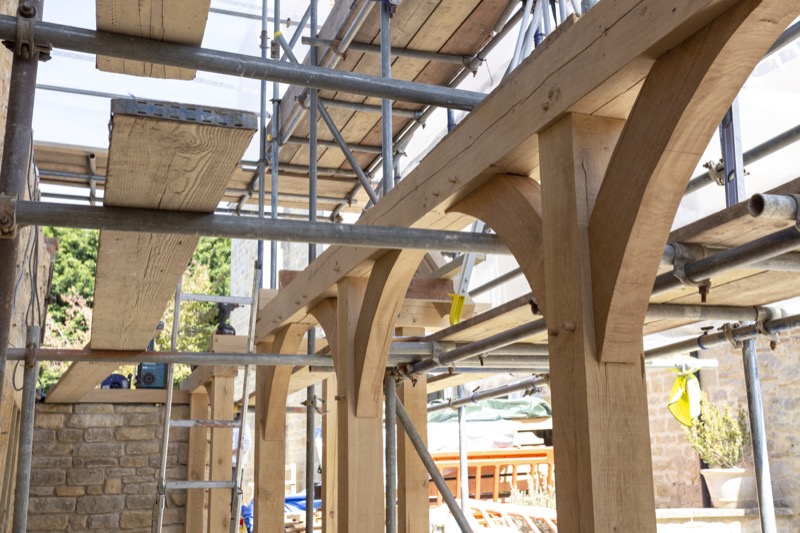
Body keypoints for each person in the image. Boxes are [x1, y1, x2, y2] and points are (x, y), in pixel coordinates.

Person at [232, 410, 252, 482]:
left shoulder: (244, 426)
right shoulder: (227, 424)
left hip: (235, 465)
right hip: (224, 464)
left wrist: (234, 452)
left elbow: (247, 444)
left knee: (234, 487)